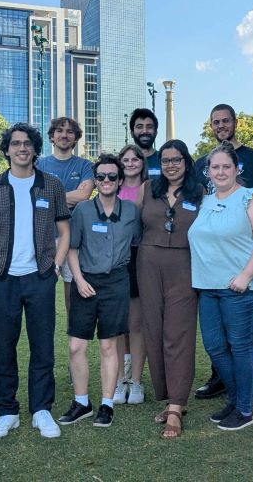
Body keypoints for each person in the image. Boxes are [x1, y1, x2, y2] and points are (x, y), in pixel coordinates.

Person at [0, 123, 70, 440]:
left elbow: (65, 231)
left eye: (27, 143)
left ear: (35, 148)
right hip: (3, 278)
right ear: (7, 149)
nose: (22, 148)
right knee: (4, 347)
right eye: (15, 143)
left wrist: (54, 268)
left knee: (43, 347)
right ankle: (6, 411)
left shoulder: (51, 185)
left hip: (40, 277)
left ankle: (42, 409)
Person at [192, 104, 253, 405]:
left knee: (245, 332)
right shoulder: (203, 161)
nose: (221, 126)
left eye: (226, 121)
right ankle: (221, 379)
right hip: (213, 267)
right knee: (218, 338)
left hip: (247, 258)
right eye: (216, 122)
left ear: (235, 123)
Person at [58, 154, 141, 429]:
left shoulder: (130, 211)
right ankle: (82, 402)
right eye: (102, 176)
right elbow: (71, 247)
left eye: (112, 177)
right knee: (75, 345)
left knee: (108, 345)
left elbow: (138, 242)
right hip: (86, 282)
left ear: (119, 181)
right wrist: (79, 280)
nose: (107, 181)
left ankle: (106, 404)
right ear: (95, 181)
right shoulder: (82, 210)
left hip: (116, 282)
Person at [135, 139, 204, 439]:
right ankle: (168, 396)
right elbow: (131, 225)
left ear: (186, 162)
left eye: (176, 159)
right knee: (154, 331)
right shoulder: (147, 189)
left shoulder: (200, 192)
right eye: (165, 160)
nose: (171, 165)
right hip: (148, 265)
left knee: (179, 333)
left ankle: (176, 407)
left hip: (185, 268)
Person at [36, 117, 93, 317]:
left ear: (75, 137)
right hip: (44, 235)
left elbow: (84, 195)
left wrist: (49, 198)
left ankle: (73, 338)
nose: (64, 135)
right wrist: (68, 198)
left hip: (73, 237)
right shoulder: (40, 165)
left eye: (69, 131)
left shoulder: (85, 165)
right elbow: (34, 198)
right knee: (41, 290)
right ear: (52, 136)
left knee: (72, 290)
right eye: (59, 130)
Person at [111, 145, 149, 406]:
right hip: (114, 258)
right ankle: (119, 380)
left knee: (136, 324)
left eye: (135, 158)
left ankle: (136, 380)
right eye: (125, 159)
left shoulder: (150, 187)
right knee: (117, 325)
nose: (131, 162)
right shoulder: (111, 183)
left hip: (139, 256)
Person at [129, 108, 162, 178]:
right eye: (139, 127)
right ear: (132, 133)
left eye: (149, 127)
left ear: (156, 132)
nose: (144, 131)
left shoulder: (165, 160)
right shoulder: (122, 162)